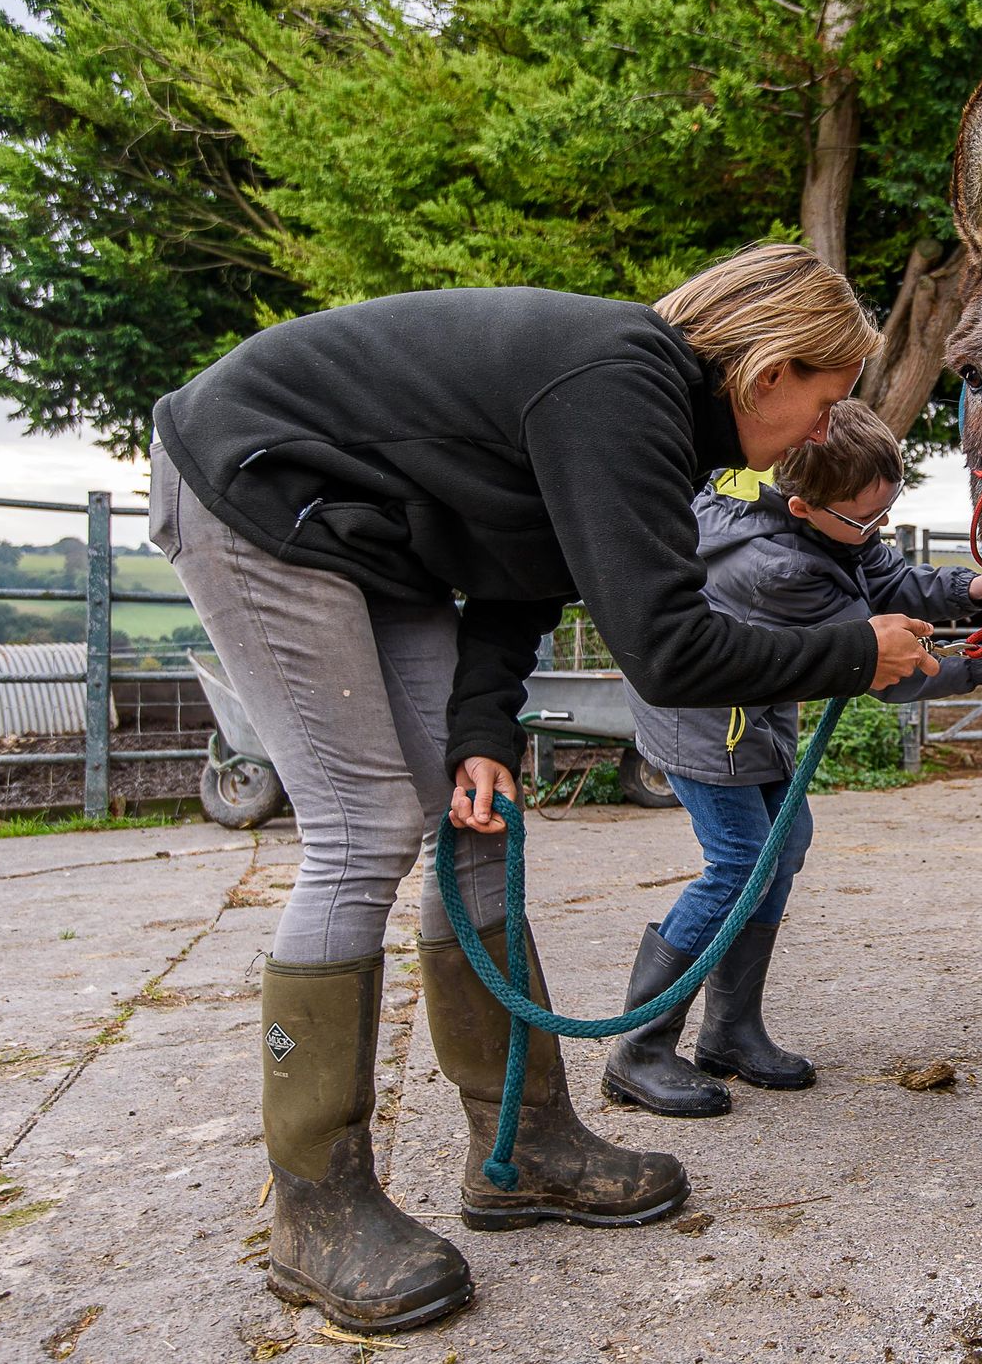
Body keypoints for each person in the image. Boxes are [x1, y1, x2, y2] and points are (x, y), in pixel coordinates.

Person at [148, 245, 940, 1332]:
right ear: (766, 371)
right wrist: (855, 651)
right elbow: (666, 650)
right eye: (826, 395)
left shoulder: (650, 422)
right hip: (259, 492)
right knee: (364, 826)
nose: (823, 426)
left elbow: (524, 572)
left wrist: (481, 730)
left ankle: (518, 1145)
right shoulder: (620, 385)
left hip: (383, 538)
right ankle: (315, 1205)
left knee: (475, 819)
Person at [604, 402, 982, 1115]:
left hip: (752, 706)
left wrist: (976, 587)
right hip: (708, 724)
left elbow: (882, 574)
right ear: (804, 505)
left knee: (784, 841)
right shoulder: (780, 569)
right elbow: (894, 673)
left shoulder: (822, 522)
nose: (880, 527)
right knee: (739, 860)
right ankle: (639, 1047)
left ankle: (731, 1030)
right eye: (867, 518)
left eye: (886, 509)